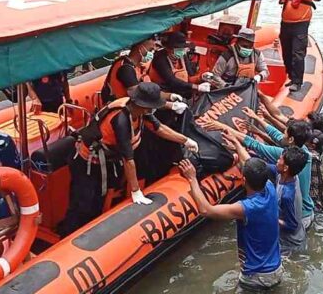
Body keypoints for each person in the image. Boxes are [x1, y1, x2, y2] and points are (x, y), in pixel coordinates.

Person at [58, 82, 199, 236]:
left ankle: (95, 226)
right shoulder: (121, 119)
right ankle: (68, 234)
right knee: (83, 203)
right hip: (87, 164)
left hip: (107, 162)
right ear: (143, 105)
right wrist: (136, 191)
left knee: (100, 200)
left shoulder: (138, 112)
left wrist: (185, 140)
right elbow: (128, 158)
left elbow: (159, 128)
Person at [178, 158, 283, 292]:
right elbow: (251, 164)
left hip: (256, 277)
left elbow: (206, 210)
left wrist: (192, 178)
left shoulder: (246, 208)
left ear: (244, 180)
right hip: (276, 269)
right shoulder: (270, 187)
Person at [208, 113, 316, 229]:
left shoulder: (285, 160)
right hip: (307, 209)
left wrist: (223, 128)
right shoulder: (302, 152)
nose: (282, 134)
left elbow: (256, 146)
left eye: (285, 132)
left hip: (299, 217)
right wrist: (256, 119)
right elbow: (275, 137)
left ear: (291, 139)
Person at [224, 132, 307, 252]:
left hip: (290, 243)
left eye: (280, 159)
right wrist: (237, 144)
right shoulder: (285, 174)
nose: (277, 161)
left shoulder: (287, 195)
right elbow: (252, 164)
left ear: (286, 168)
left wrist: (269, 216)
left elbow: (292, 225)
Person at [271, 0, 322, 92]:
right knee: (287, 51)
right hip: (285, 22)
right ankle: (291, 76)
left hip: (301, 23)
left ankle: (297, 82)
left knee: (298, 53)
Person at [101, 38, 188, 115]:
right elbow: (140, 98)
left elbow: (147, 92)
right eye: (150, 50)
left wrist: (170, 96)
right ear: (140, 49)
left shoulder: (137, 66)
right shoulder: (126, 70)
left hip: (133, 107)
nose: (153, 52)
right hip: (120, 111)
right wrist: (171, 105)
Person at [149, 31, 210, 99]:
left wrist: (201, 77)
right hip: (164, 93)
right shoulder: (159, 58)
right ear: (168, 48)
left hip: (181, 91)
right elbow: (171, 80)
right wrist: (197, 87)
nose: (181, 51)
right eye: (178, 48)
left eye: (182, 48)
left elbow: (190, 76)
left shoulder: (183, 56)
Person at [307, 129, 323, 212]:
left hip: (315, 204)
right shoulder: (317, 156)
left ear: (312, 146)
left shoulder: (311, 157)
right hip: (319, 201)